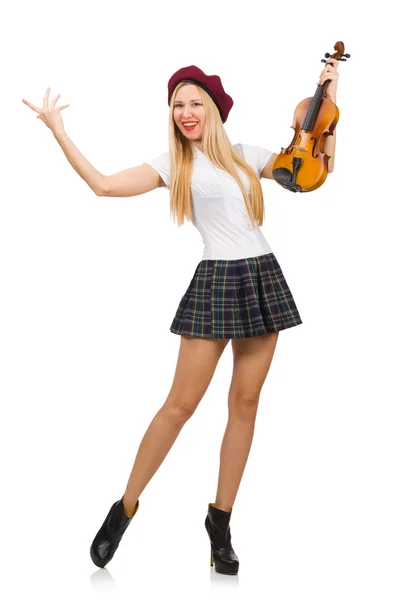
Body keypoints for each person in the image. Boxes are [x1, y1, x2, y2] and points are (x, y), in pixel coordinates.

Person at [22, 60, 338, 575]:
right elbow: (102, 186)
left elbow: (310, 176)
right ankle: (124, 508)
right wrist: (60, 133)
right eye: (177, 105)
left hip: (261, 276)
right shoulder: (173, 165)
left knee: (246, 402)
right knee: (179, 405)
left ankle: (220, 522)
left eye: (194, 103)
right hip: (216, 278)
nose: (185, 113)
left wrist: (328, 115)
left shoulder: (246, 155)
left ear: (213, 109)